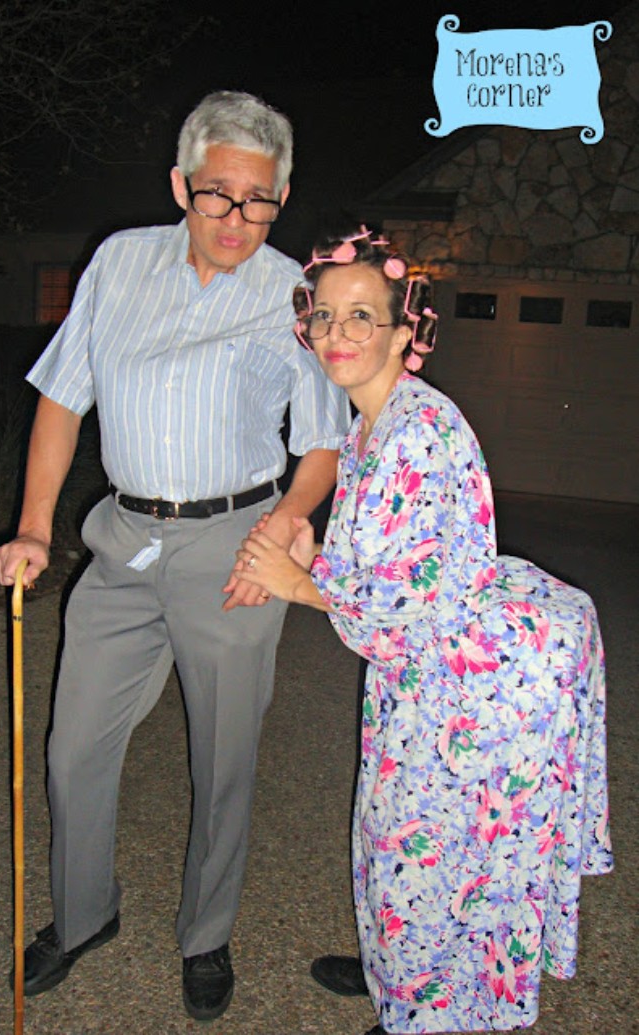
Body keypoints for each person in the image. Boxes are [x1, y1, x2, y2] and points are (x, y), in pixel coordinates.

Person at [0, 90, 349, 1021]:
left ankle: (207, 933)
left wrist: (285, 525)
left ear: (280, 198)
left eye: (260, 199)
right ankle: (82, 915)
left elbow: (321, 442)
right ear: (182, 184)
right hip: (123, 541)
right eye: (219, 195)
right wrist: (34, 526)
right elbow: (64, 399)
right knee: (73, 751)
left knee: (223, 758)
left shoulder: (292, 295)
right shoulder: (120, 262)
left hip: (236, 546)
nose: (238, 219)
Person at [235, 228, 613, 1034]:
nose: (338, 334)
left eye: (362, 317)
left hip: (472, 688)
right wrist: (316, 552)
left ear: (405, 335)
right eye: (326, 316)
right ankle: (398, 973)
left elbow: (408, 607)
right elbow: (382, 561)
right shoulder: (367, 423)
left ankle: (430, 1009)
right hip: (429, 676)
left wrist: (297, 583)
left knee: (438, 855)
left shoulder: (417, 432)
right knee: (395, 839)